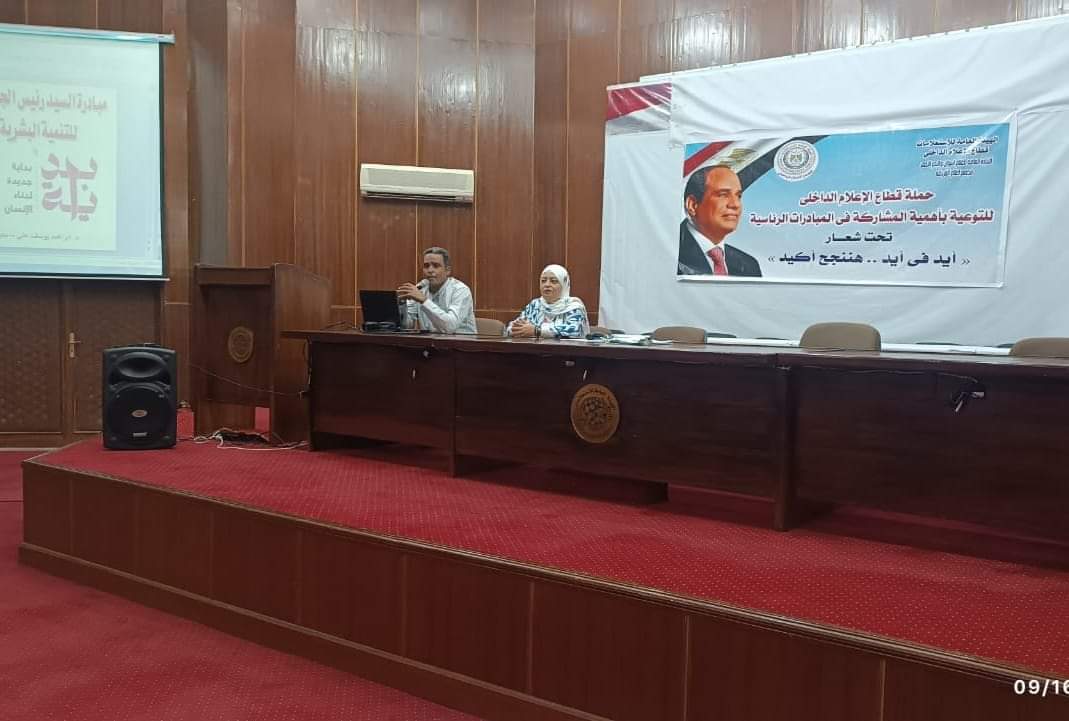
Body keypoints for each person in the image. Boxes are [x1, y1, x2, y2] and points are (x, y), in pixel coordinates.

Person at [677, 164, 762, 277]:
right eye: (723, 195)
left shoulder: (749, 265)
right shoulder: (672, 253)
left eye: (738, 196)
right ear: (692, 205)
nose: (735, 204)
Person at [397, 246, 477, 334]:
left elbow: (450, 327)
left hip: (461, 341)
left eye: (436, 266)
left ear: (447, 270)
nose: (430, 270)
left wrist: (424, 301)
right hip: (430, 341)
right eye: (426, 266)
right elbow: (406, 325)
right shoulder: (420, 288)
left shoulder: (460, 290)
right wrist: (401, 306)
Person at [506, 264, 589, 339]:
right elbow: (514, 327)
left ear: (564, 284)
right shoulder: (535, 305)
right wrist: (515, 329)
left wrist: (537, 331)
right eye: (543, 280)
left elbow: (575, 330)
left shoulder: (573, 306)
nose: (547, 285)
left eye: (553, 281)